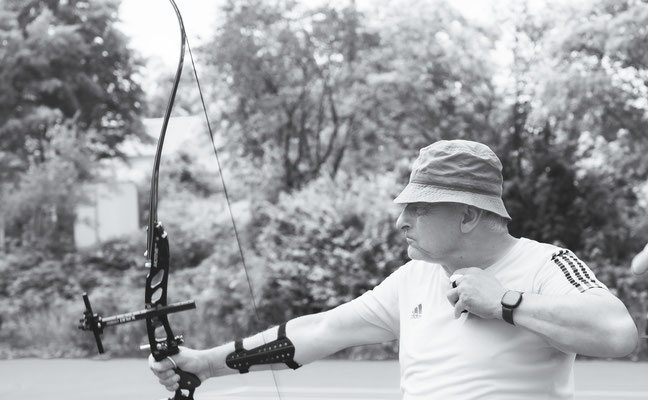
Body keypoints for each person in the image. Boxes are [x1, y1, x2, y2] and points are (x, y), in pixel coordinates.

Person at [150, 140, 638, 399]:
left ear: (469, 215)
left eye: (420, 209)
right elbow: (321, 330)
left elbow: (617, 334)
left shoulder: (546, 264)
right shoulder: (416, 277)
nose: (402, 220)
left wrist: (506, 302)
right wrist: (208, 363)